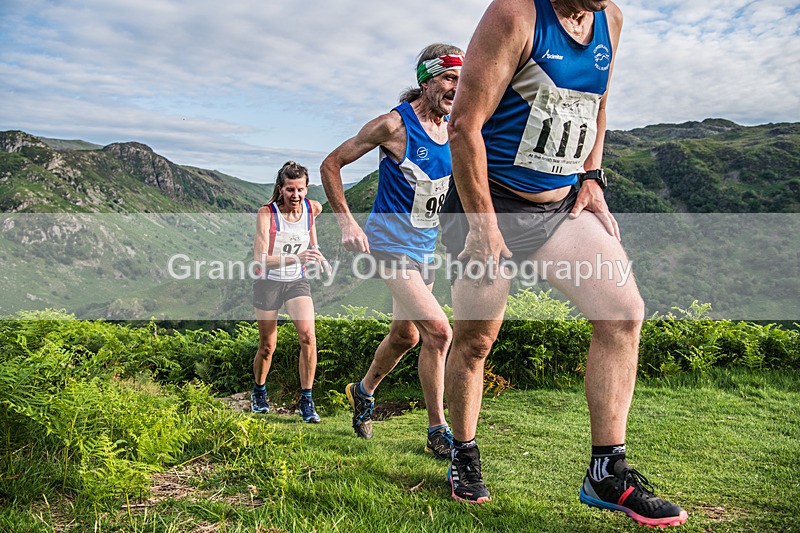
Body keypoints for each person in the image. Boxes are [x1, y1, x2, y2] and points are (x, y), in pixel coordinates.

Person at [440, 0, 688, 527]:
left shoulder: (610, 21)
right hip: (491, 202)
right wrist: (483, 225)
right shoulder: (515, 15)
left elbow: (597, 105)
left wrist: (593, 177)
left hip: (559, 205)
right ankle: (463, 450)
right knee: (477, 339)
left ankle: (607, 472)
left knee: (623, 313)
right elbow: (463, 125)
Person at [320, 43, 463, 459]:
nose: (457, 87)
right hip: (388, 245)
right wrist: (346, 221)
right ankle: (438, 430)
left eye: (462, 80)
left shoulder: (456, 127)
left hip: (424, 248)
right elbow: (332, 164)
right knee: (439, 332)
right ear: (427, 79)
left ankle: (362, 392)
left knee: (405, 335)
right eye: (450, 78)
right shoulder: (393, 126)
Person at [251, 161, 327, 424]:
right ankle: (259, 391)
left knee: (308, 336)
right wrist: (299, 256)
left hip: (297, 281)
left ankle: (307, 399)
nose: (296, 196)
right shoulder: (267, 214)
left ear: (307, 189)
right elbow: (260, 260)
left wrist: (315, 249)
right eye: (290, 190)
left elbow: (311, 223)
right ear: (280, 189)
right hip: (268, 281)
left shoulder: (311, 207)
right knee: (267, 345)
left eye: (301, 189)